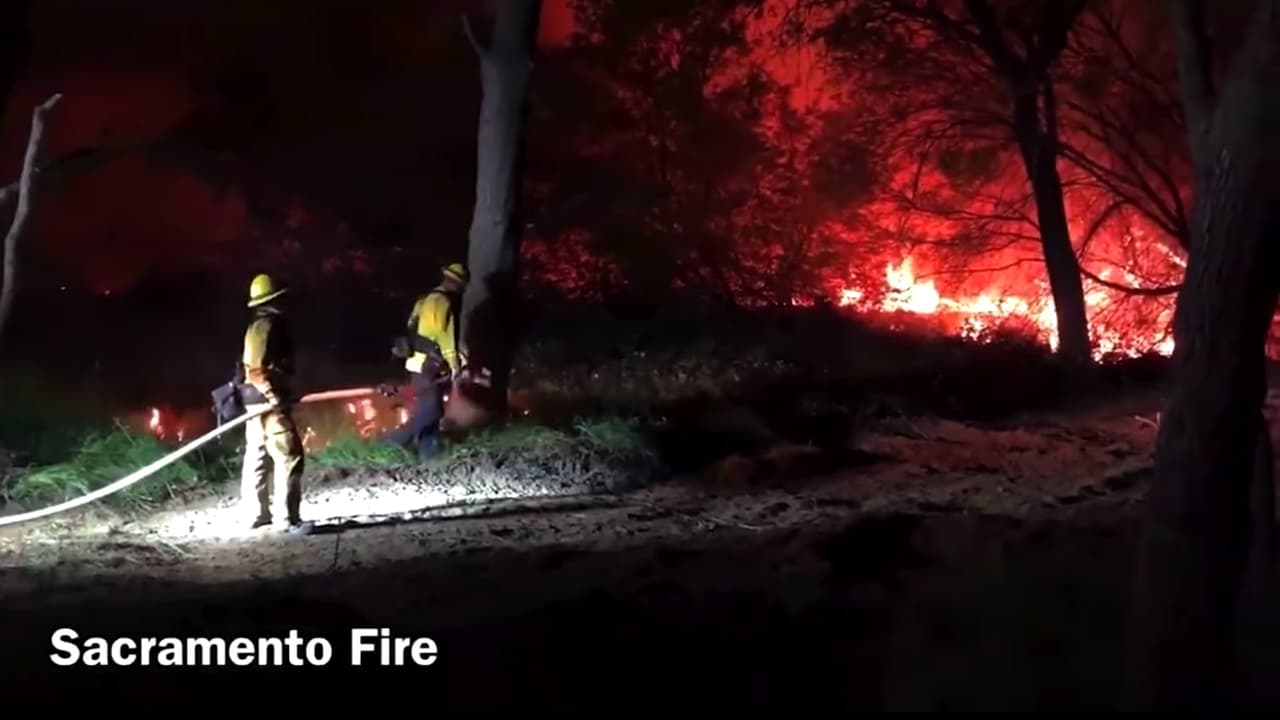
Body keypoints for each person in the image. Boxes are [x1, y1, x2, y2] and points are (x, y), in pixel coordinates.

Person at [238, 272, 311, 535]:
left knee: (257, 455)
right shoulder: (266, 326)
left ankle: (256, 515)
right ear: (275, 298)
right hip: (267, 403)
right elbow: (255, 369)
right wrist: (273, 396)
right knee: (289, 455)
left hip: (256, 402)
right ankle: (287, 519)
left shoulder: (260, 325)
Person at [387, 262, 468, 459]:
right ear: (455, 283)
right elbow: (442, 335)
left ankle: (428, 453)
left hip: (415, 362)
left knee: (431, 408)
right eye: (460, 285)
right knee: (430, 410)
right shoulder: (443, 302)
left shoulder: (423, 300)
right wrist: (454, 364)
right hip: (429, 365)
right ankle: (391, 444)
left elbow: (412, 326)